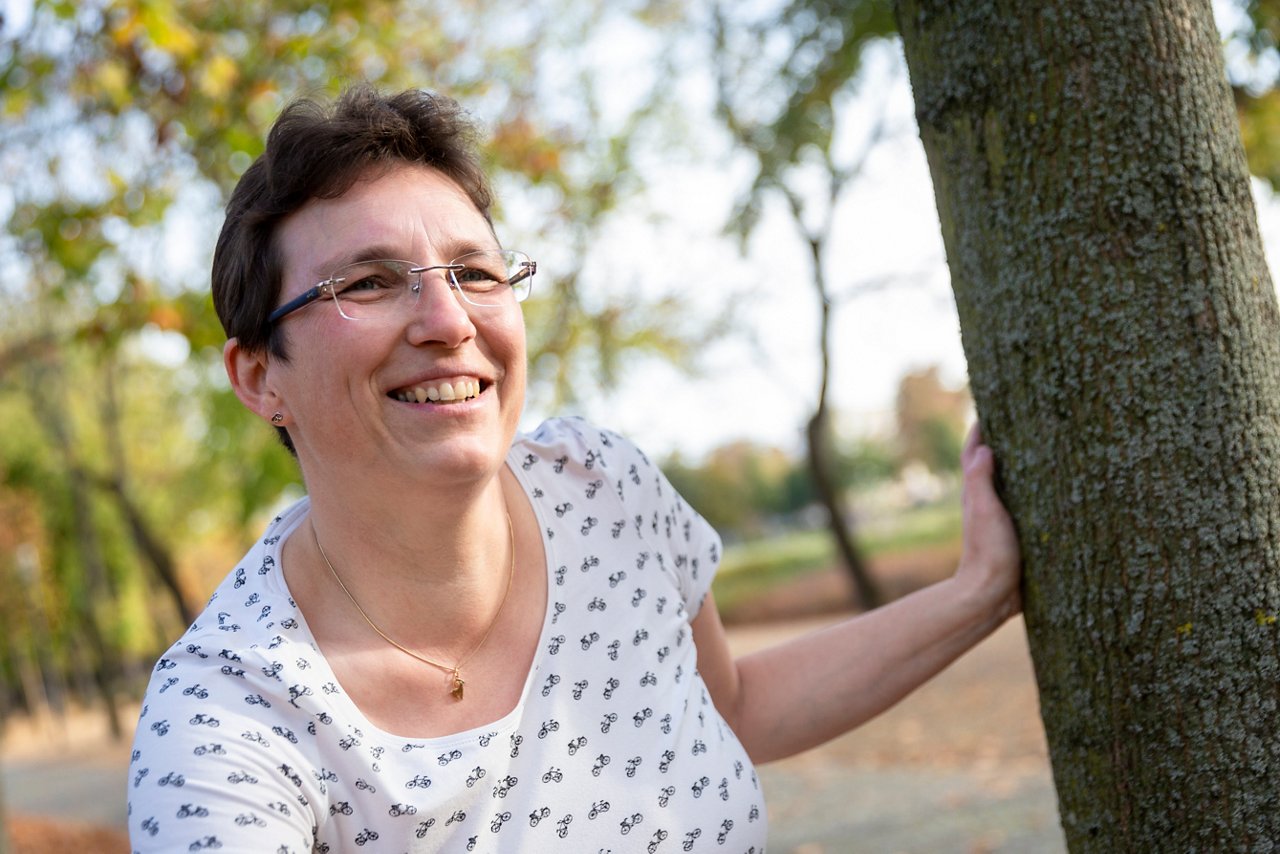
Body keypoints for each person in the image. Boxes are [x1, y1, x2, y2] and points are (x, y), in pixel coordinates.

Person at [127, 84, 1022, 853]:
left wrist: (980, 589)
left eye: (474, 272)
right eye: (364, 282)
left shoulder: (604, 487)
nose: (447, 320)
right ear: (257, 375)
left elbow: (737, 706)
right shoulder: (226, 722)